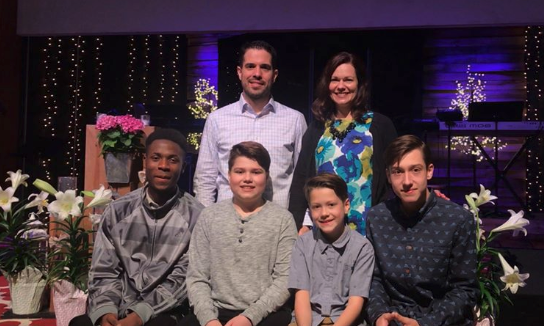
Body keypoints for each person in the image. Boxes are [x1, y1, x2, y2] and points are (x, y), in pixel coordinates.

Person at [70, 128, 205, 326]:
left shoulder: (196, 216)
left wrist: (140, 314)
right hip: (118, 305)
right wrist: (106, 311)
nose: (163, 166)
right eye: (156, 158)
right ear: (145, 161)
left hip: (164, 310)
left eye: (173, 160)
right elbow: (103, 270)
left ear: (183, 167)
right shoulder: (118, 211)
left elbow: (183, 279)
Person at [366, 135, 479, 326]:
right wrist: (379, 315)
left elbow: (465, 290)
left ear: (429, 171)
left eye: (415, 170)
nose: (407, 181)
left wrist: (425, 323)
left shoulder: (457, 219)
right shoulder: (377, 218)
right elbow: (373, 280)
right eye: (398, 172)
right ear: (388, 176)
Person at [181, 141, 297, 326]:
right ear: (229, 175)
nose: (247, 178)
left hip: (264, 314)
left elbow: (285, 279)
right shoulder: (209, 217)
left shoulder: (283, 220)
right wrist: (209, 319)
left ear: (266, 177)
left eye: (256, 172)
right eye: (239, 171)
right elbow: (197, 277)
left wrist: (249, 317)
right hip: (215, 312)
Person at [289, 52, 397, 236]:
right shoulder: (317, 128)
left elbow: (395, 174)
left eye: (348, 80)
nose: (341, 86)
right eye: (335, 80)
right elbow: (302, 179)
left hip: (369, 230)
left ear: (359, 84)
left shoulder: (380, 126)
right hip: (323, 227)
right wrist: (300, 223)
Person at [193, 40, 307, 209]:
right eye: (250, 66)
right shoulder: (217, 119)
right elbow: (205, 179)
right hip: (226, 224)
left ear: (274, 75)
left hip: (278, 226)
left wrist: (304, 224)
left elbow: (304, 179)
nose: (257, 73)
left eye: (265, 67)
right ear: (240, 72)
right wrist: (207, 222)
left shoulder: (295, 120)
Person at [289, 173, 374, 326]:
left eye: (331, 205)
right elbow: (301, 297)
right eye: (316, 207)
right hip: (307, 320)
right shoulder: (302, 244)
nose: (324, 213)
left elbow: (356, 303)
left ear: (346, 205)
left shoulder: (362, 248)